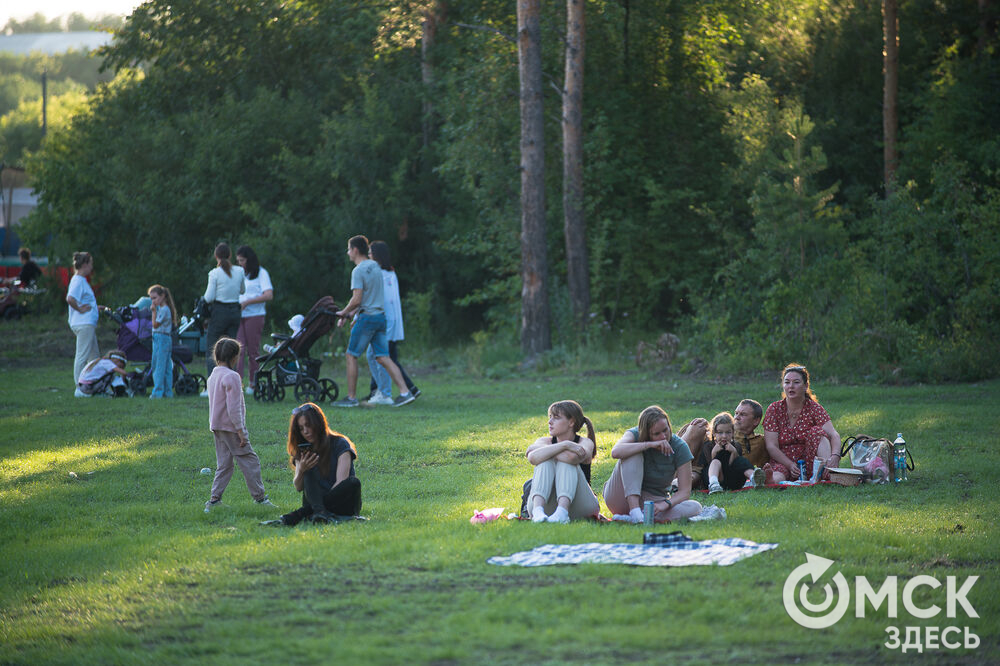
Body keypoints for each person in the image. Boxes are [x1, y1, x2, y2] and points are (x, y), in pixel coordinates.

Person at [332, 235, 415, 407]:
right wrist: (349, 314)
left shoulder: (358, 271)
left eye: (348, 249)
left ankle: (351, 398)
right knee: (383, 357)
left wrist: (343, 312)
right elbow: (369, 297)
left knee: (351, 355)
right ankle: (405, 393)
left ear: (355, 250)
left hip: (367, 318)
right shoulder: (377, 268)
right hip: (380, 318)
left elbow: (357, 299)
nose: (348, 253)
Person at [204, 337, 275, 512]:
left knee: (225, 464)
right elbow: (234, 408)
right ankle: (260, 498)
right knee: (250, 460)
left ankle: (213, 502)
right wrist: (241, 431)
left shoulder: (213, 375)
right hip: (231, 427)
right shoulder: (232, 377)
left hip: (216, 426)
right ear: (234, 357)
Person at [263, 402, 362, 526]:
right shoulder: (303, 450)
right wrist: (302, 470)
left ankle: (311, 513)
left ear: (318, 423)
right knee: (307, 470)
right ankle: (319, 512)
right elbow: (298, 487)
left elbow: (340, 483)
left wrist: (320, 504)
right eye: (300, 428)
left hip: (341, 503)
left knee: (353, 482)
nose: (305, 431)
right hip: (315, 501)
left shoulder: (340, 444)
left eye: (308, 425)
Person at [603, 405, 703, 523]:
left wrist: (665, 504)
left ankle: (636, 518)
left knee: (695, 507)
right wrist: (648, 445)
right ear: (646, 434)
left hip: (652, 501)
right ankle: (634, 512)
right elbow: (616, 452)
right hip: (621, 496)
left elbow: (684, 492)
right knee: (632, 453)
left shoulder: (680, 447)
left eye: (665, 430)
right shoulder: (635, 434)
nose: (663, 437)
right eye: (656, 434)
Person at [762, 363, 842, 483]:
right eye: (787, 382)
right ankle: (770, 480)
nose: (791, 386)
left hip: (809, 461)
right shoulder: (774, 409)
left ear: (806, 386)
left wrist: (835, 456)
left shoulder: (814, 408)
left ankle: (825, 472)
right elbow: (771, 446)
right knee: (778, 473)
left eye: (796, 382)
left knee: (817, 432)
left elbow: (833, 435)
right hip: (783, 460)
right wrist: (789, 464)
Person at [525, 400, 600, 523]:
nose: (550, 422)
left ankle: (562, 511)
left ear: (571, 422)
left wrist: (546, 452)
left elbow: (572, 458)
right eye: (550, 417)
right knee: (544, 461)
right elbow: (533, 458)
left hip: (580, 506)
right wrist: (565, 445)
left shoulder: (585, 442)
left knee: (564, 462)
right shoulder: (545, 441)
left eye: (556, 418)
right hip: (548, 506)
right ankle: (538, 511)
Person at [365, 240, 420, 405]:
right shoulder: (390, 273)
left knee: (380, 357)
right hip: (392, 320)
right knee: (387, 357)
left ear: (376, 255)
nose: (368, 256)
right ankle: (406, 389)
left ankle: (384, 392)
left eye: (370, 253)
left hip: (385, 321)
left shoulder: (381, 275)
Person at [201, 242, 245, 387]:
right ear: (230, 255)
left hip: (220, 311)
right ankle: (230, 381)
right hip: (235, 311)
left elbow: (209, 297)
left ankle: (212, 384)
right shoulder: (239, 271)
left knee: (212, 346)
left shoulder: (214, 273)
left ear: (216, 256)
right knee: (231, 347)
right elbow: (242, 291)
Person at [235, 245, 273, 394]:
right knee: (238, 350)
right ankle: (237, 384)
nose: (240, 263)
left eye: (242, 260)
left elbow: (268, 295)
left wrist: (247, 302)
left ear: (249, 260)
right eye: (238, 260)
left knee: (253, 351)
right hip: (239, 316)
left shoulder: (262, 273)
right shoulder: (239, 274)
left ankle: (253, 383)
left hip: (255, 315)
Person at [67, 251, 105, 392]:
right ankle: (79, 387)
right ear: (84, 265)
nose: (91, 267)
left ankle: (95, 383)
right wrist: (80, 309)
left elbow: (84, 300)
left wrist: (95, 307)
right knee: (82, 356)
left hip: (87, 324)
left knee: (94, 357)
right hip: (84, 324)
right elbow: (70, 299)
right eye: (90, 264)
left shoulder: (81, 280)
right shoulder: (78, 280)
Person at [703, 412, 756, 493]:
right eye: (720, 433)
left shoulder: (736, 445)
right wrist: (714, 453)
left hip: (733, 480)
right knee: (715, 461)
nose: (724, 436)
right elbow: (708, 466)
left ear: (733, 433)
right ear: (714, 433)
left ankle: (754, 477)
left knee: (740, 460)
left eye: (728, 432)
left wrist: (734, 452)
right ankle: (714, 484)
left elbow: (734, 465)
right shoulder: (708, 446)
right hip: (715, 479)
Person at [147, 284, 177, 399]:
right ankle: (167, 392)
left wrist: (153, 312)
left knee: (158, 366)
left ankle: (157, 392)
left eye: (155, 298)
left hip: (161, 338)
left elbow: (155, 324)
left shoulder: (164, 310)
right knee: (165, 366)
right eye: (151, 299)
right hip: (163, 338)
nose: (153, 301)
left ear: (163, 296)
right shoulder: (163, 309)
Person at [733, 399, 769, 469]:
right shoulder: (725, 434)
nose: (736, 418)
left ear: (756, 421)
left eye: (743, 414)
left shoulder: (761, 442)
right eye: (736, 413)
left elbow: (763, 468)